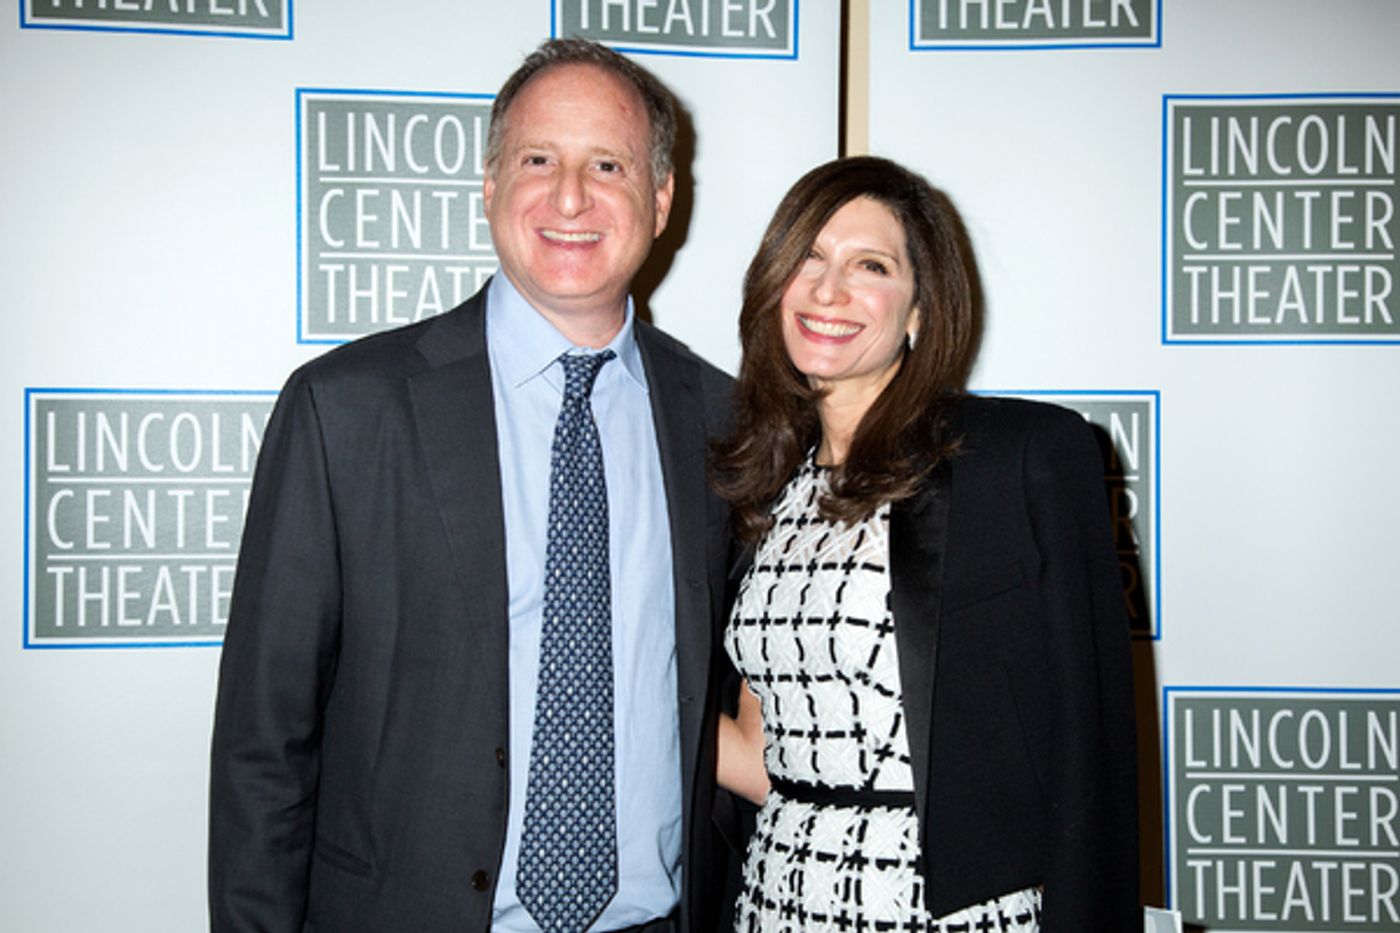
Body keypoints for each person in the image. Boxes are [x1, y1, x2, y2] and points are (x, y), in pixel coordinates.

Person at [209, 38, 735, 933]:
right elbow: (265, 742)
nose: (570, 197)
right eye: (538, 160)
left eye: (607, 165)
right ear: (490, 185)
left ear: (660, 198)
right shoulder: (347, 410)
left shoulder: (723, 421)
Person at [712, 156, 1139, 931]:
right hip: (778, 898)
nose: (828, 289)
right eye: (809, 257)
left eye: (870, 265)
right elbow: (764, 756)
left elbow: (1092, 750)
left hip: (939, 910)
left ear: (919, 309)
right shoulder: (769, 490)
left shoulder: (1020, 459)